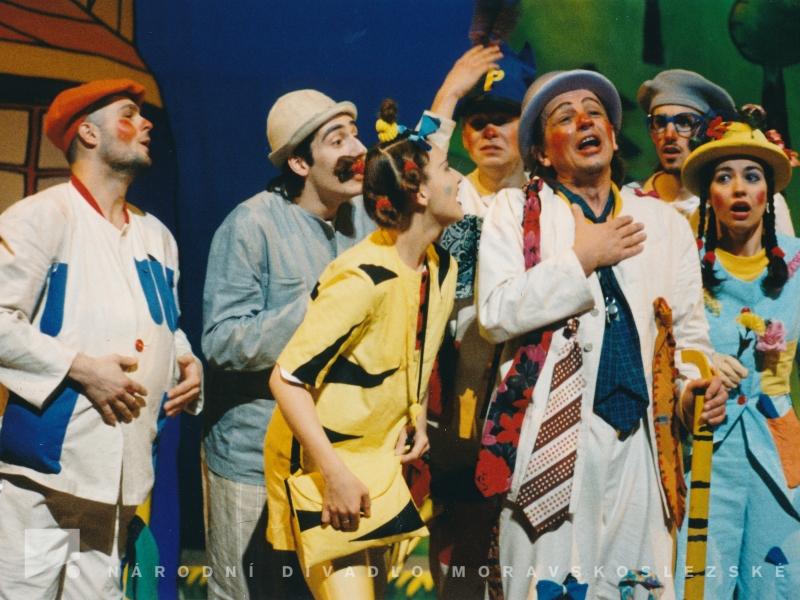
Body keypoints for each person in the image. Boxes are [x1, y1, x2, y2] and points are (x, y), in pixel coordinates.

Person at [475, 69, 727, 599]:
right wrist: (581, 259)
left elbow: (687, 338)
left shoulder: (662, 222)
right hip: (556, 438)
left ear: (612, 136)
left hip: (641, 442)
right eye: (564, 118)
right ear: (542, 153)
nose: (585, 121)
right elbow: (496, 312)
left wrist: (690, 395)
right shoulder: (514, 211)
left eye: (594, 113)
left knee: (638, 586)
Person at [0, 79, 202, 598]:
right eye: (129, 114)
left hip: (119, 485)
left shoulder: (156, 235)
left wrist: (185, 359)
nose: (146, 123)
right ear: (88, 133)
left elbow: (159, 320)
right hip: (47, 480)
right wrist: (80, 367)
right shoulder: (42, 217)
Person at [264, 118, 461, 599]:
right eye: (447, 169)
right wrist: (334, 475)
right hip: (326, 467)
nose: (458, 178)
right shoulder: (363, 278)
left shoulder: (440, 268)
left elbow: (411, 353)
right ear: (418, 192)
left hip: (378, 467)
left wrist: (415, 416)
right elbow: (286, 379)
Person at [201, 89, 374, 599]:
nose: (357, 148)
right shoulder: (252, 223)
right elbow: (222, 340)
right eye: (336, 140)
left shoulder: (366, 223)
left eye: (355, 134)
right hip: (254, 458)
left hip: (338, 459)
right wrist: (316, 308)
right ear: (299, 163)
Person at [422, 43, 536, 597]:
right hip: (462, 395)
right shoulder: (449, 195)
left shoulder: (548, 200)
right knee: (460, 561)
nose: (489, 130)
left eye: (504, 118)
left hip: (534, 391)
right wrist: (447, 96)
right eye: (477, 121)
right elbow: (410, 169)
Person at [675, 120, 800, 598]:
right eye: (724, 177)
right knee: (699, 582)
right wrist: (700, 362)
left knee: (777, 582)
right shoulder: (685, 264)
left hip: (778, 448)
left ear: (769, 192)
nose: (739, 189)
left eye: (752, 176)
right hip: (706, 450)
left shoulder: (796, 264)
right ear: (709, 195)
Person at [630, 69, 794, 234]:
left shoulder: (758, 203)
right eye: (660, 123)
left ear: (708, 131)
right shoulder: (630, 200)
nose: (669, 135)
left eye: (684, 122)